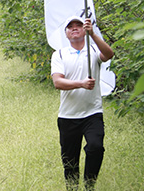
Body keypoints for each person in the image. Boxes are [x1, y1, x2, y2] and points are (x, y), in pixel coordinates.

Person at [50, 16, 114, 191]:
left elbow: (109, 54)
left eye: (79, 25)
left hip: (92, 113)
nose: (75, 28)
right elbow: (58, 83)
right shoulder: (60, 54)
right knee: (70, 162)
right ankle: (72, 188)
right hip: (68, 116)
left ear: (84, 30)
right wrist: (81, 83)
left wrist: (92, 34)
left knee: (96, 147)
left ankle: (89, 185)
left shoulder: (93, 50)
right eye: (70, 27)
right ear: (66, 33)